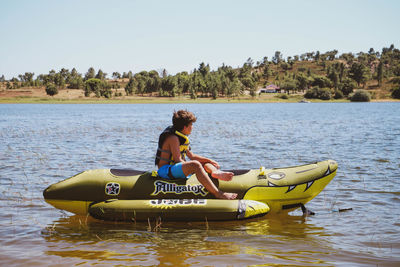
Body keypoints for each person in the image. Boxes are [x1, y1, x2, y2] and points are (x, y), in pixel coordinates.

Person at [155, 110, 237, 200]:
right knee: (196, 164)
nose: (192, 127)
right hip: (166, 171)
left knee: (204, 164)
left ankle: (215, 172)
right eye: (191, 125)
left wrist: (209, 161)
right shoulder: (173, 138)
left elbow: (192, 156)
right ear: (184, 127)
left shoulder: (181, 137)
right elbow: (177, 160)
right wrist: (194, 168)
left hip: (175, 168)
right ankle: (218, 194)